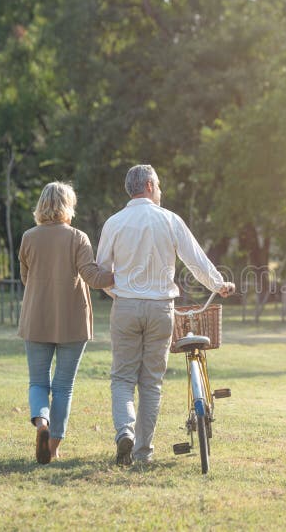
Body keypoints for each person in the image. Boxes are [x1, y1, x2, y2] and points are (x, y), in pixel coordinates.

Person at [96, 164, 234, 466]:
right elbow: (195, 260)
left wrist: (118, 293)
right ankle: (143, 452)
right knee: (151, 382)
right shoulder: (170, 220)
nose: (161, 191)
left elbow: (102, 272)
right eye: (158, 185)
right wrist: (218, 284)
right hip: (161, 309)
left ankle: (125, 432)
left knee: (122, 377)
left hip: (126, 306)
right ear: (148, 185)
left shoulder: (114, 222)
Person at [18, 181, 114, 464]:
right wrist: (123, 273)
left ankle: (42, 424)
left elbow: (26, 279)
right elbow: (93, 278)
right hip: (73, 322)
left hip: (36, 318)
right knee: (63, 386)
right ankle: (54, 447)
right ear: (67, 206)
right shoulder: (78, 237)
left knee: (38, 382)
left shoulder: (28, 237)